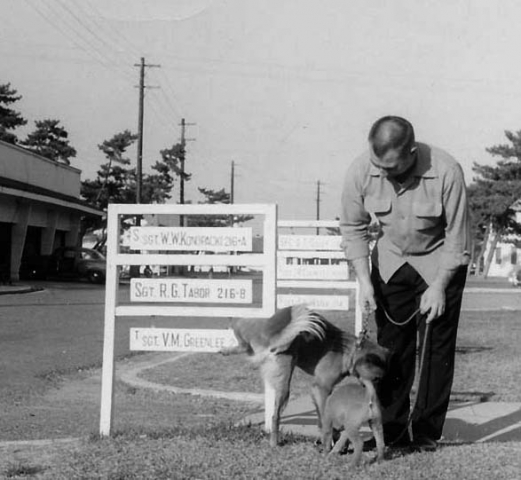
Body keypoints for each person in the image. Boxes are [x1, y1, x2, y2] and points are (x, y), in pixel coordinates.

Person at [339, 115, 470, 451]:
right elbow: (352, 229)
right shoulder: (359, 171)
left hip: (439, 263)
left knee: (435, 351)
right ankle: (393, 430)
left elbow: (458, 236)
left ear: (411, 152)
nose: (383, 174)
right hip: (391, 264)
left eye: (392, 167)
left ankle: (426, 432)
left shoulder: (446, 170)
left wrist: (440, 285)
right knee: (391, 351)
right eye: (377, 165)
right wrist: (365, 282)